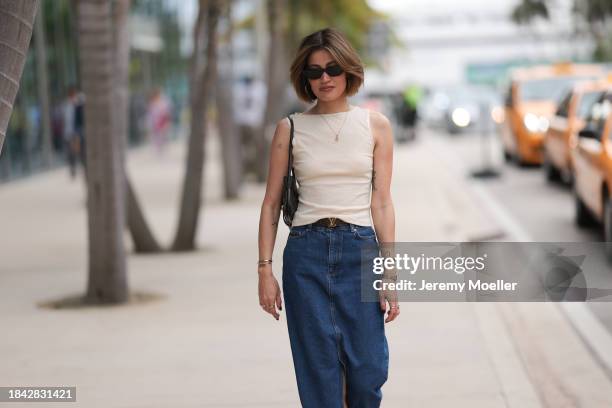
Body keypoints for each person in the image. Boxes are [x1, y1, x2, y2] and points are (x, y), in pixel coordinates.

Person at [257, 27, 399, 407]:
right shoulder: (290, 128)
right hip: (307, 254)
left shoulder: (376, 126)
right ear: (304, 78)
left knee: (368, 370)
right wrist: (264, 270)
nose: (324, 78)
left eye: (332, 69)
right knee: (319, 371)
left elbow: (382, 202)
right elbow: (271, 203)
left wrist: (390, 271)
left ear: (349, 70)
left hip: (360, 251)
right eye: (314, 72)